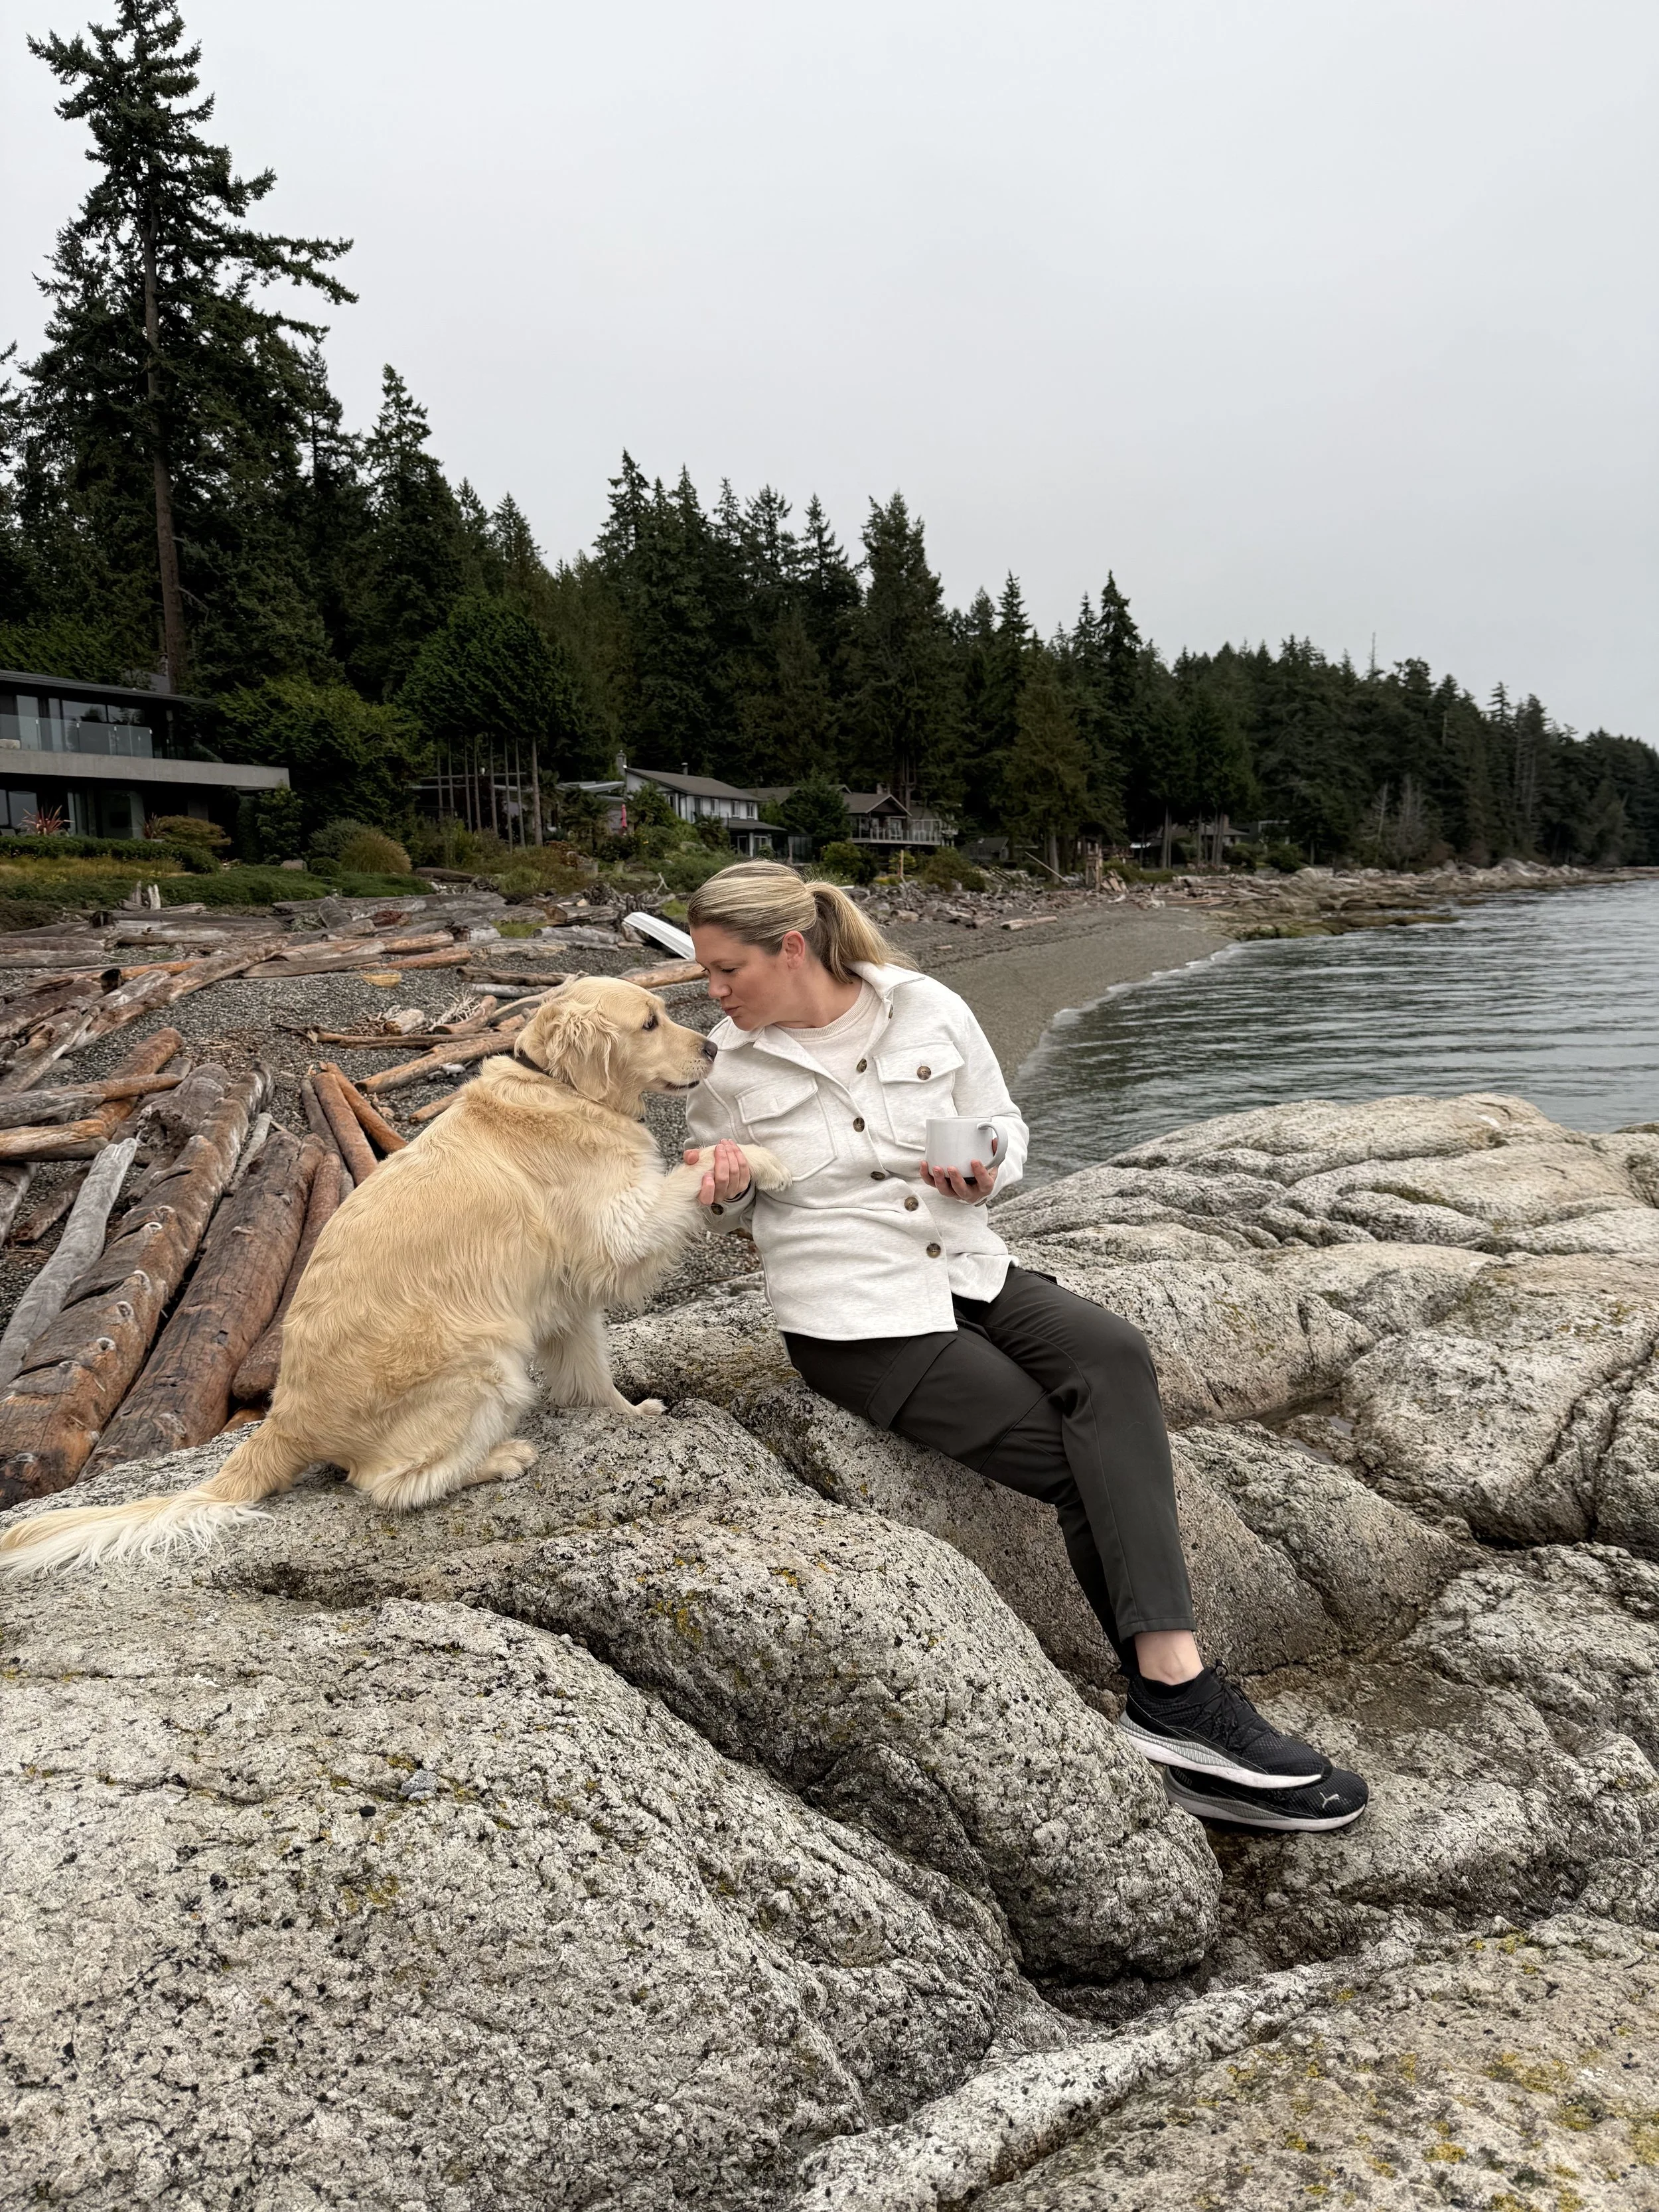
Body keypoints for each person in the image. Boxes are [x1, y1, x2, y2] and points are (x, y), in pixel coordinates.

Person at [682, 859, 1367, 1835]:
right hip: (856, 1317)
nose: (712, 992)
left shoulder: (925, 1006)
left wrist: (985, 1168)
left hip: (970, 1267)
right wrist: (730, 1182)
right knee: (1081, 1462)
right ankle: (1183, 1697)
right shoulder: (729, 1062)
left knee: (1114, 1356)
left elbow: (1002, 1126)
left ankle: (1175, 1712)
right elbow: (725, 1204)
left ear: (791, 948)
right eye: (705, 975)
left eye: (723, 969)